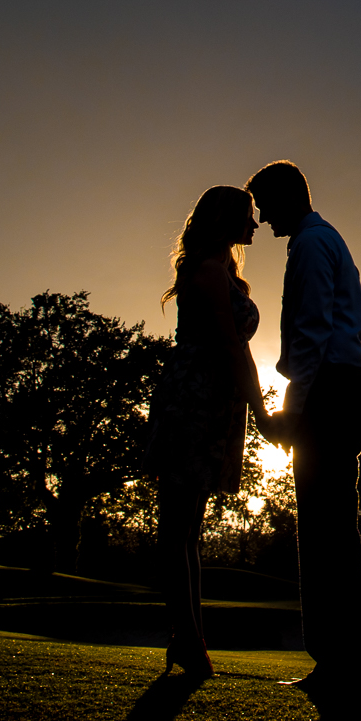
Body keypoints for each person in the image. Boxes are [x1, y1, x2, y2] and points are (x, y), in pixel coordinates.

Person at [246, 159, 361, 694]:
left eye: (265, 205)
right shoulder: (320, 241)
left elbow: (313, 333)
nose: (262, 219)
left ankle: (338, 663)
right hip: (337, 391)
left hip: (329, 394)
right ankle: (341, 661)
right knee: (332, 530)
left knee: (327, 533)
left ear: (288, 197)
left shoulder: (312, 244)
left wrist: (291, 412)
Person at [141, 185, 265, 677]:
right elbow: (232, 347)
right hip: (193, 400)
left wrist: (250, 407)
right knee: (177, 528)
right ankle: (187, 639)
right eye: (248, 217)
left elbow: (239, 349)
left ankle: (189, 639)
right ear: (227, 220)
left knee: (189, 530)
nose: (254, 225)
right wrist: (260, 408)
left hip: (214, 402)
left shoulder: (223, 272)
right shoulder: (211, 272)